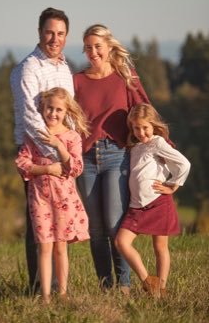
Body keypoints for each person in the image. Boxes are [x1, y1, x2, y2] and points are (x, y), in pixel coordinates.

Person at [73, 24, 150, 294]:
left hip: (117, 156)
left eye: (97, 46)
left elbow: (146, 113)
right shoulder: (77, 81)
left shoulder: (125, 77)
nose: (93, 52)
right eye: (88, 47)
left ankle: (124, 286)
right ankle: (106, 287)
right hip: (87, 159)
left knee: (115, 224)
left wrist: (163, 149)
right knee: (96, 229)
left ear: (108, 47)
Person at [10, 7, 74, 293]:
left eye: (60, 33)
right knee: (39, 224)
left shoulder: (64, 68)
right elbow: (30, 117)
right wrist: (53, 155)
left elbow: (70, 113)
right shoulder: (29, 68)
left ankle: (58, 285)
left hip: (63, 153)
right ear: (39, 32)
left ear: (66, 36)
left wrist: (67, 150)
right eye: (49, 32)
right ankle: (38, 287)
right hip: (35, 154)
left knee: (61, 223)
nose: (54, 38)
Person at [15, 87, 90, 304]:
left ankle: (63, 292)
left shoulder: (72, 137)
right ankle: (45, 296)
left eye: (58, 110)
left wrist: (59, 145)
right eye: (49, 109)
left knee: (61, 246)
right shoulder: (34, 136)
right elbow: (22, 163)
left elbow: (75, 168)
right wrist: (46, 169)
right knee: (44, 246)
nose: (53, 114)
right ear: (42, 108)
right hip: (40, 199)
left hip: (64, 201)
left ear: (66, 111)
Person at [115, 103, 191, 298]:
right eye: (136, 128)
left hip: (158, 202)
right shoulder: (134, 147)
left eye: (145, 127)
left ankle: (162, 289)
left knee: (160, 247)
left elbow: (184, 163)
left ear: (153, 126)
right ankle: (148, 281)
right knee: (121, 242)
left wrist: (173, 185)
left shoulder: (157, 143)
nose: (141, 132)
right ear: (131, 127)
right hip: (136, 206)